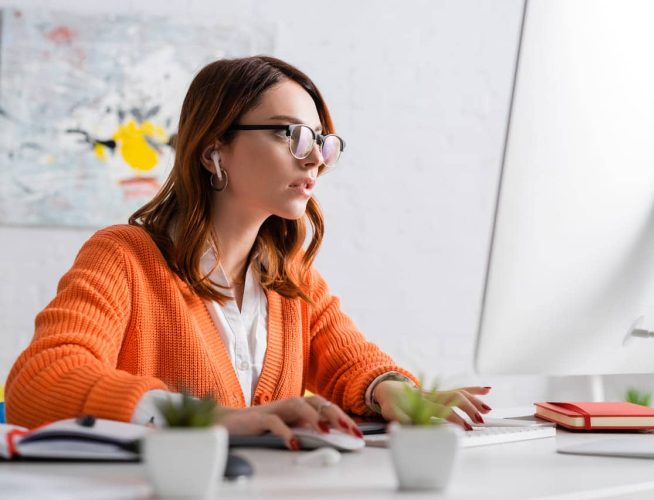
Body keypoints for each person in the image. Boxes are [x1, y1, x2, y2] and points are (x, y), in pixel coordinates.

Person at [4, 56, 491, 448]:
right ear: (214, 149)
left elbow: (351, 363)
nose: (313, 157)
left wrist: (397, 394)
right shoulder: (124, 257)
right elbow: (40, 382)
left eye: (321, 141)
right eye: (288, 132)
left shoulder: (290, 279)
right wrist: (207, 419)